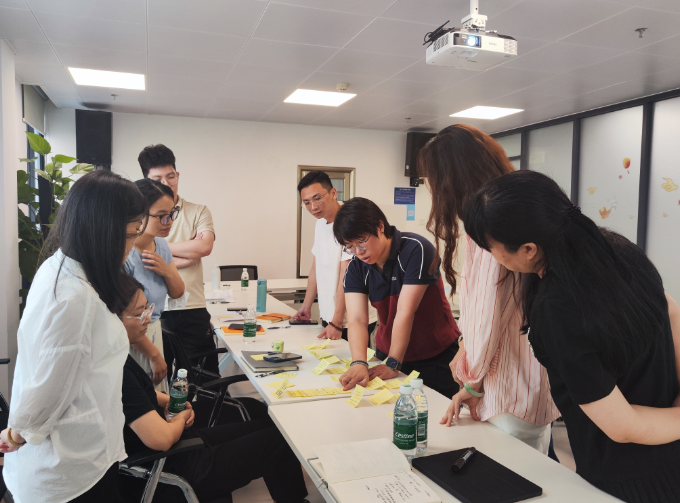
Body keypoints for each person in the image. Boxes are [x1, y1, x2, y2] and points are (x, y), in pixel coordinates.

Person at [463, 169, 680, 502]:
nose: (493, 257)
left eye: (491, 247)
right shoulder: (617, 249)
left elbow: (623, 428)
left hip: (630, 478)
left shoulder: (556, 308)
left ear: (528, 249)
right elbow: (672, 312)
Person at [0, 171, 146, 502]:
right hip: (69, 468)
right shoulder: (74, 296)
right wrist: (16, 435)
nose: (133, 245)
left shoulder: (61, 266)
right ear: (103, 232)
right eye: (130, 234)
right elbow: (50, 385)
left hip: (77, 455)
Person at [417, 124, 560, 455]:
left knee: (508, 473)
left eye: (432, 178)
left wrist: (471, 382)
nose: (430, 187)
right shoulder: (517, 214)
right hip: (532, 381)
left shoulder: (487, 228)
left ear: (450, 179)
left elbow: (486, 321)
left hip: (506, 391)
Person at [118, 283, 309, 503]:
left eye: (147, 309)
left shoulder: (116, 358)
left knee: (273, 426)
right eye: (139, 313)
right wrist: (180, 417)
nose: (148, 318)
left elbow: (139, 398)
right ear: (114, 320)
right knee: (279, 441)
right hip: (172, 466)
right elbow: (160, 439)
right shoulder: (118, 372)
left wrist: (168, 400)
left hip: (178, 449)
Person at [335, 197, 460, 398]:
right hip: (388, 353)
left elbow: (405, 311)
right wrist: (359, 362)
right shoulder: (356, 268)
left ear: (380, 226)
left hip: (433, 354)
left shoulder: (417, 249)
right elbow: (357, 319)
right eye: (350, 246)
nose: (358, 252)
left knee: (434, 411)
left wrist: (394, 363)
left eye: (361, 242)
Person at [138, 144, 219, 375]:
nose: (166, 183)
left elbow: (204, 247)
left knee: (202, 376)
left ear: (178, 175)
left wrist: (162, 253)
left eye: (171, 176)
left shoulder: (198, 211)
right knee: (156, 375)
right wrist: (184, 255)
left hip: (191, 306)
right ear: (146, 181)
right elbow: (140, 254)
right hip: (153, 311)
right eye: (157, 179)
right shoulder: (139, 217)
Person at [292, 171, 378, 340]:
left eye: (317, 198)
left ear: (333, 192)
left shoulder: (349, 222)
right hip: (330, 315)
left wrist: (337, 322)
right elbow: (315, 268)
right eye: (307, 203)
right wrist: (306, 307)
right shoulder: (320, 224)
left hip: (351, 318)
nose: (313, 207)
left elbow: (347, 275)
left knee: (353, 357)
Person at [125, 179, 187, 391]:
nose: (169, 221)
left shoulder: (160, 244)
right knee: (144, 398)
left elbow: (178, 292)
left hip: (154, 333)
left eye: (172, 213)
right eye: (161, 215)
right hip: (135, 342)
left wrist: (166, 271)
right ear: (138, 214)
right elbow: (124, 320)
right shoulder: (126, 254)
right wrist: (154, 355)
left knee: (158, 398)